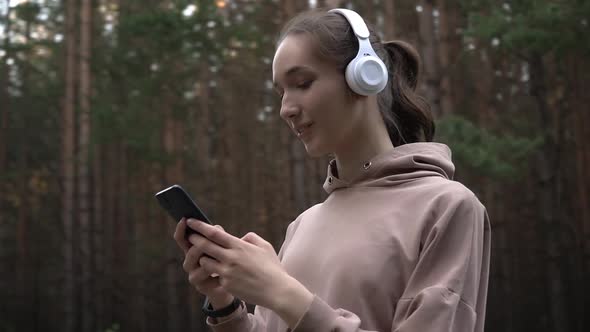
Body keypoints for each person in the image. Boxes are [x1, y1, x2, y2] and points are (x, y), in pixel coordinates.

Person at [173, 7, 491, 332]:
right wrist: (228, 308)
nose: (286, 109)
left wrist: (282, 292)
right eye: (281, 92)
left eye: (302, 83)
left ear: (364, 76)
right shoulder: (302, 226)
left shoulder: (448, 208)